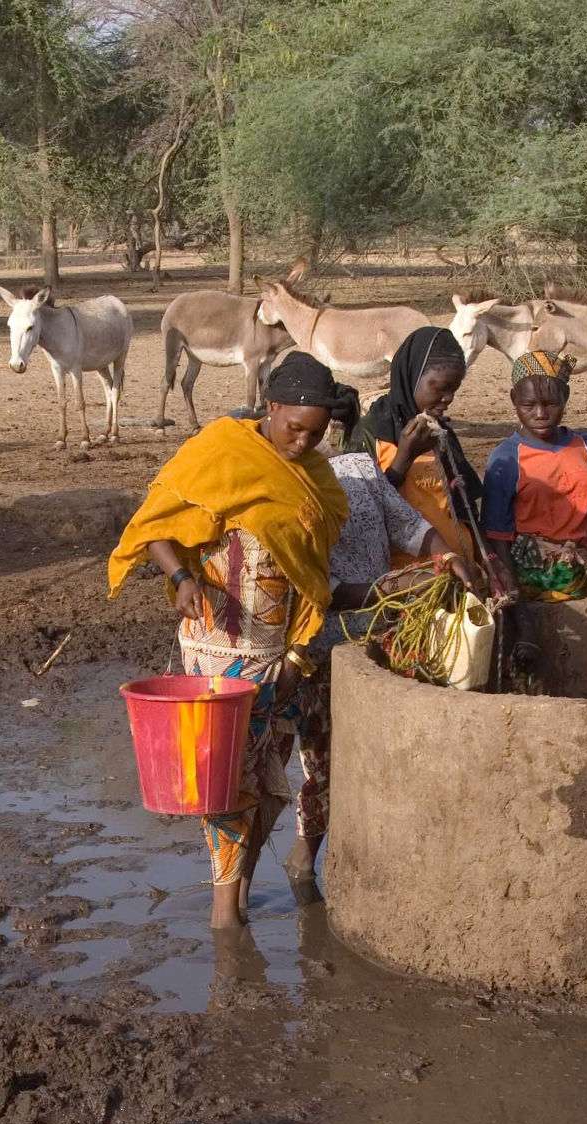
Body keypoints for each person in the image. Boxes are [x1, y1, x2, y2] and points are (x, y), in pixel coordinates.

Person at [109, 351, 350, 929]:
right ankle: (225, 920)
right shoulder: (221, 453)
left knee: (269, 779)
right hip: (221, 657)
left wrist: (296, 653)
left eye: (316, 435)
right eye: (295, 429)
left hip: (282, 656)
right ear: (271, 408)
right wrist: (181, 576)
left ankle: (239, 897)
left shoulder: (313, 474)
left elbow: (312, 576)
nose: (302, 444)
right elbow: (155, 525)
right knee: (225, 784)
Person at [288, 429, 452, 902]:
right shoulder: (290, 488)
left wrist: (447, 560)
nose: (311, 441)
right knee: (324, 760)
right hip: (323, 648)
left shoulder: (361, 471)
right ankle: (305, 854)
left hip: (384, 639)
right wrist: (402, 586)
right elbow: (327, 588)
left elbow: (414, 531)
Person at [480, 350, 587, 631]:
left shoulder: (586, 448)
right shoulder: (506, 458)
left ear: (566, 397)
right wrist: (516, 607)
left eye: (550, 403)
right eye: (528, 404)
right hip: (523, 583)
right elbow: (497, 538)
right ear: (513, 400)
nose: (540, 414)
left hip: (573, 578)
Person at [348, 326, 483, 559]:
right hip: (405, 580)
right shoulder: (370, 433)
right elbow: (359, 516)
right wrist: (404, 459)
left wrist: (489, 562)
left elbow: (466, 510)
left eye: (454, 389)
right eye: (440, 389)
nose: (448, 399)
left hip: (461, 572)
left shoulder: (441, 433)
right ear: (411, 376)